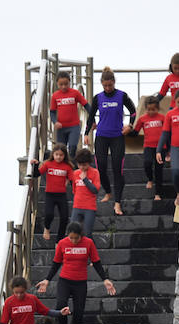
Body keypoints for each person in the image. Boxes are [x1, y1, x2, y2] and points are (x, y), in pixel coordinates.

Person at [35, 222, 116, 324]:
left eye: (76, 238)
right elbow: (56, 263)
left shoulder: (88, 243)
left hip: (80, 283)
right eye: (71, 238)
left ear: (81, 236)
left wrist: (105, 279)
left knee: (78, 314)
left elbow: (96, 262)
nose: (73, 241)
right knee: (60, 306)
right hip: (65, 281)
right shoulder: (62, 243)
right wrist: (47, 279)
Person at [83, 67, 137, 216]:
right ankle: (108, 192)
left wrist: (130, 125)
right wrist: (86, 133)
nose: (107, 88)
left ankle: (117, 204)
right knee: (100, 166)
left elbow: (133, 111)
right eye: (105, 86)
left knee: (117, 169)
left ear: (114, 82)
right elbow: (91, 116)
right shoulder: (98, 97)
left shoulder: (122, 95)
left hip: (117, 136)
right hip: (101, 135)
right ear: (101, 84)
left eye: (110, 85)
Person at [156, 90, 179, 206]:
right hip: (176, 147)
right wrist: (158, 150)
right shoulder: (170, 114)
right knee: (176, 171)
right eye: (178, 102)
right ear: (174, 101)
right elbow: (165, 133)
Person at [32, 144, 73, 242]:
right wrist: (36, 164)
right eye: (56, 154)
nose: (58, 157)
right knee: (49, 214)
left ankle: (59, 240)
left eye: (61, 155)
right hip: (50, 195)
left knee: (64, 217)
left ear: (64, 156)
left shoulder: (67, 166)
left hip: (62, 195)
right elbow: (37, 174)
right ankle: (47, 228)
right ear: (53, 154)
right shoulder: (48, 164)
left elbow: (72, 179)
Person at [130, 96, 167, 199]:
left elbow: (167, 134)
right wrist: (127, 131)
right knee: (147, 163)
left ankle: (158, 194)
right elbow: (135, 133)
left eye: (153, 109)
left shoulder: (162, 118)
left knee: (159, 169)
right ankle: (150, 179)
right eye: (149, 109)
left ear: (158, 108)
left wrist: (168, 150)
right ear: (146, 109)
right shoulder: (142, 119)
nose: (151, 112)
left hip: (161, 147)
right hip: (148, 146)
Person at [49, 71, 87, 159]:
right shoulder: (55, 96)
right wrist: (55, 122)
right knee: (60, 150)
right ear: (57, 84)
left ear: (70, 82)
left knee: (72, 147)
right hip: (61, 128)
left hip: (74, 126)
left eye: (66, 84)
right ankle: (64, 168)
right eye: (61, 84)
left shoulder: (75, 93)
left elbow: (86, 105)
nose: (63, 86)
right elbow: (52, 112)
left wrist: (92, 118)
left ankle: (72, 166)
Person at [67, 148, 100, 240]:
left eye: (84, 165)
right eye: (79, 165)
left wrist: (85, 180)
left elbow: (95, 190)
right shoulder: (75, 173)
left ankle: (91, 253)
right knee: (72, 231)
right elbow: (74, 189)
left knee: (87, 234)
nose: (82, 167)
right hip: (77, 206)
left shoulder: (95, 172)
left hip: (89, 207)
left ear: (89, 163)